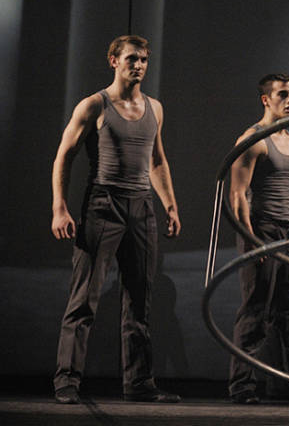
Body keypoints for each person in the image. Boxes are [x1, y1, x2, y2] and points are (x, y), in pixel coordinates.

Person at [51, 35, 181, 404]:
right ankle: (67, 381)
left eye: (143, 60)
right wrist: (59, 207)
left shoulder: (155, 108)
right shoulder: (94, 105)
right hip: (103, 205)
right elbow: (64, 156)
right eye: (131, 59)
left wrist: (170, 205)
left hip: (141, 207)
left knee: (140, 300)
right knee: (84, 299)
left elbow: (156, 160)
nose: (138, 65)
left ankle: (139, 383)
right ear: (114, 61)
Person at [228, 74, 289, 404]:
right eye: (282, 94)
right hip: (260, 229)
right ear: (266, 99)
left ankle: (282, 384)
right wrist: (250, 238)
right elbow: (237, 195)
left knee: (283, 313)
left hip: (286, 233)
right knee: (256, 309)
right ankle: (242, 386)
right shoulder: (253, 140)